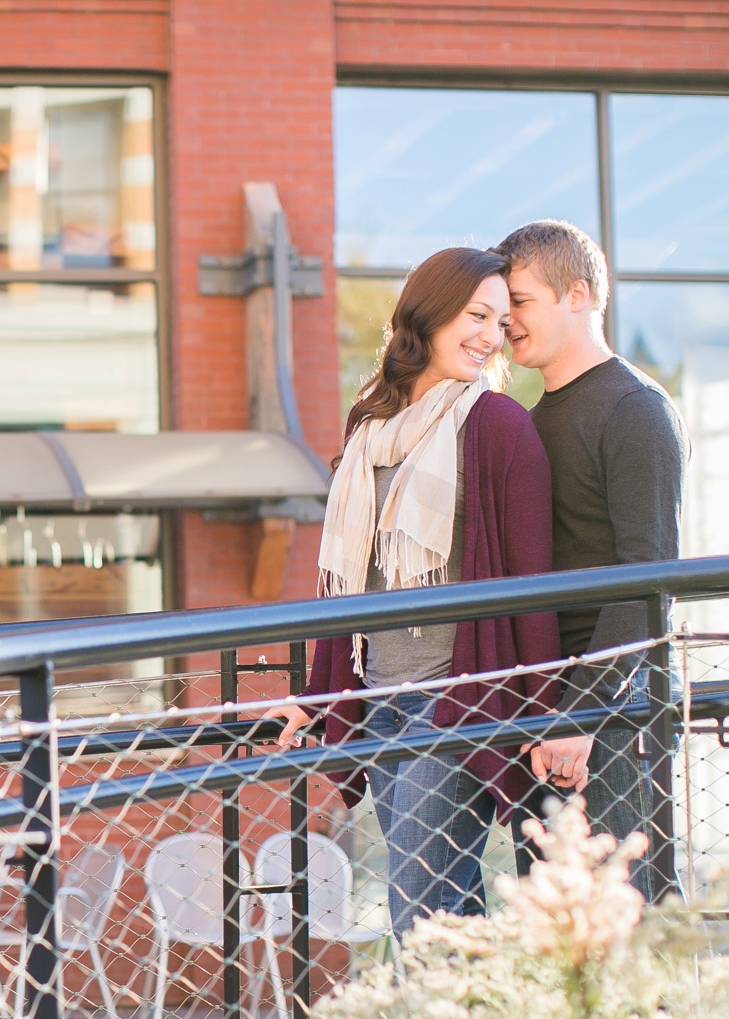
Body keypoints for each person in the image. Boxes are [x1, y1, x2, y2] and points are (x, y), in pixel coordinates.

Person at [276, 247, 560, 937]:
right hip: (379, 701)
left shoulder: (498, 427)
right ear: (428, 316)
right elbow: (355, 584)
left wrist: (548, 714)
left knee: (418, 911)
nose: (490, 336)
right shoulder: (368, 428)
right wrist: (320, 692)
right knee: (447, 910)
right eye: (475, 316)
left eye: (500, 320)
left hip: (455, 704)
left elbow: (533, 584)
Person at [492, 219, 688, 900]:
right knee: (560, 937)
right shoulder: (533, 417)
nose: (505, 320)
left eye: (521, 301)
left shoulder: (635, 409)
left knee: (633, 923)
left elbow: (649, 578)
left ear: (578, 295)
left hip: (612, 713)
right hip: (551, 718)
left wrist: (579, 715)